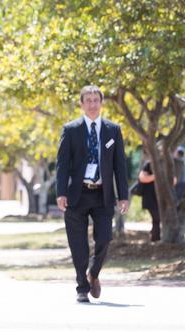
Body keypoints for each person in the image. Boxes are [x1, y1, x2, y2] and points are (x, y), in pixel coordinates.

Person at [56, 85, 129, 303]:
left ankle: (93, 273)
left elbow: (120, 166)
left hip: (103, 195)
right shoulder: (71, 130)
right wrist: (61, 193)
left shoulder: (112, 130)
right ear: (81, 103)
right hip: (76, 195)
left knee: (105, 238)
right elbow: (62, 164)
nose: (92, 104)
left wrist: (123, 195)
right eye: (88, 100)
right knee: (77, 244)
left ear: (101, 103)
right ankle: (81, 286)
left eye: (96, 100)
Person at [139, 160, 160, 242]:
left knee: (157, 219)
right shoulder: (149, 164)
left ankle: (155, 237)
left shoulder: (166, 163)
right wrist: (157, 176)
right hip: (150, 197)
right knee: (156, 218)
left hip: (160, 198)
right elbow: (142, 178)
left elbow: (173, 180)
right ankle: (155, 238)